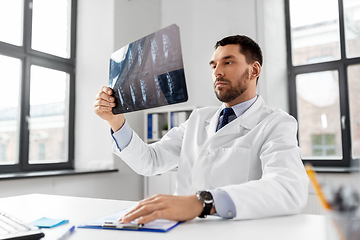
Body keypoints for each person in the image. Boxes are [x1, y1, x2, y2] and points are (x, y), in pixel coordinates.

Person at [94, 35, 309, 225]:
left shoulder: (277, 123)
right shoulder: (199, 118)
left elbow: (288, 188)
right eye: (213, 65)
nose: (218, 72)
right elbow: (151, 161)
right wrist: (116, 121)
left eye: (228, 62)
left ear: (254, 70)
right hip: (184, 230)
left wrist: (204, 202)